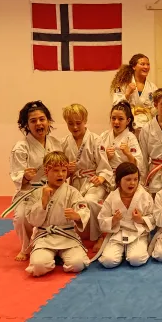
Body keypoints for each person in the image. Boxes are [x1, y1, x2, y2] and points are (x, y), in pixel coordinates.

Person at [7, 101, 63, 261]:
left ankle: (57, 243)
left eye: (42, 119)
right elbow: (16, 175)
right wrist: (25, 176)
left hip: (53, 189)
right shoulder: (21, 147)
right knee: (21, 217)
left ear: (48, 122)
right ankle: (26, 246)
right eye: (33, 121)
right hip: (30, 191)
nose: (38, 123)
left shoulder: (56, 143)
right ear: (26, 125)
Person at [24, 152, 90, 277]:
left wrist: (77, 216)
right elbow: (33, 221)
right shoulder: (37, 193)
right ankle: (52, 257)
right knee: (38, 266)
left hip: (67, 236)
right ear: (46, 171)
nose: (60, 174)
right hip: (45, 237)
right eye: (55, 170)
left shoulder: (72, 192)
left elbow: (83, 210)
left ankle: (58, 256)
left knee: (78, 264)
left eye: (64, 170)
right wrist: (43, 203)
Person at [61, 103, 111, 250]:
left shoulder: (96, 140)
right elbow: (59, 171)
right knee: (65, 203)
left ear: (85, 121)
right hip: (75, 182)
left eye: (78, 123)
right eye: (70, 124)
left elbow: (104, 166)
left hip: (93, 182)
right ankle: (71, 235)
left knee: (90, 201)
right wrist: (67, 171)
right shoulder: (64, 142)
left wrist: (101, 178)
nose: (75, 127)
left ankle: (100, 236)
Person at [97, 162, 155, 268]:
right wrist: (114, 220)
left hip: (138, 234)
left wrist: (141, 219)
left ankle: (131, 250)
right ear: (119, 180)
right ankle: (122, 250)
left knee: (136, 260)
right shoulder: (112, 197)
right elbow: (102, 220)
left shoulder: (145, 196)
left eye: (135, 179)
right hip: (117, 234)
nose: (132, 183)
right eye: (128, 179)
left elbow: (154, 218)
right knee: (108, 261)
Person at [110, 53, 157, 133]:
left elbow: (154, 109)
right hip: (128, 125)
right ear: (134, 67)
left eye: (148, 64)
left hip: (147, 125)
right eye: (142, 64)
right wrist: (127, 94)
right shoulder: (123, 84)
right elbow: (115, 105)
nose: (146, 67)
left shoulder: (152, 87)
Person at [98, 101, 144, 180]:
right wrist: (106, 157)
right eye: (113, 118)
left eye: (121, 119)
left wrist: (128, 154)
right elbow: (95, 161)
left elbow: (138, 165)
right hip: (106, 176)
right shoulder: (104, 136)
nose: (116, 122)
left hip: (125, 178)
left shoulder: (131, 138)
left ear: (128, 121)